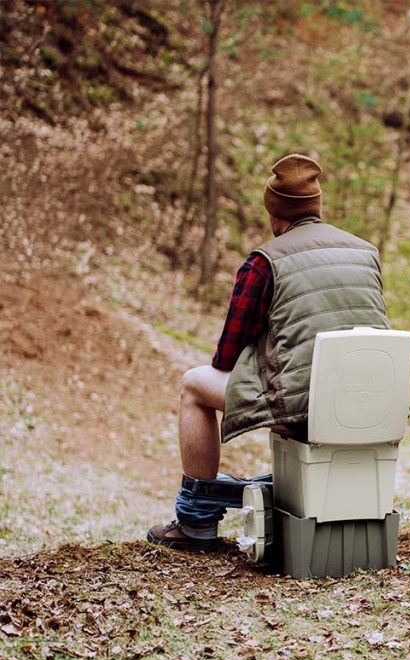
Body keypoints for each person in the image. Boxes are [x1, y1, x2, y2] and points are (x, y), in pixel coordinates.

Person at [147, 153, 390, 551]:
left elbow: (227, 356)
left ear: (275, 215)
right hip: (372, 401)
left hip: (305, 405)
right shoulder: (367, 252)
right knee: (294, 388)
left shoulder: (264, 262)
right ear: (316, 207)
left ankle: (195, 521)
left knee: (194, 385)